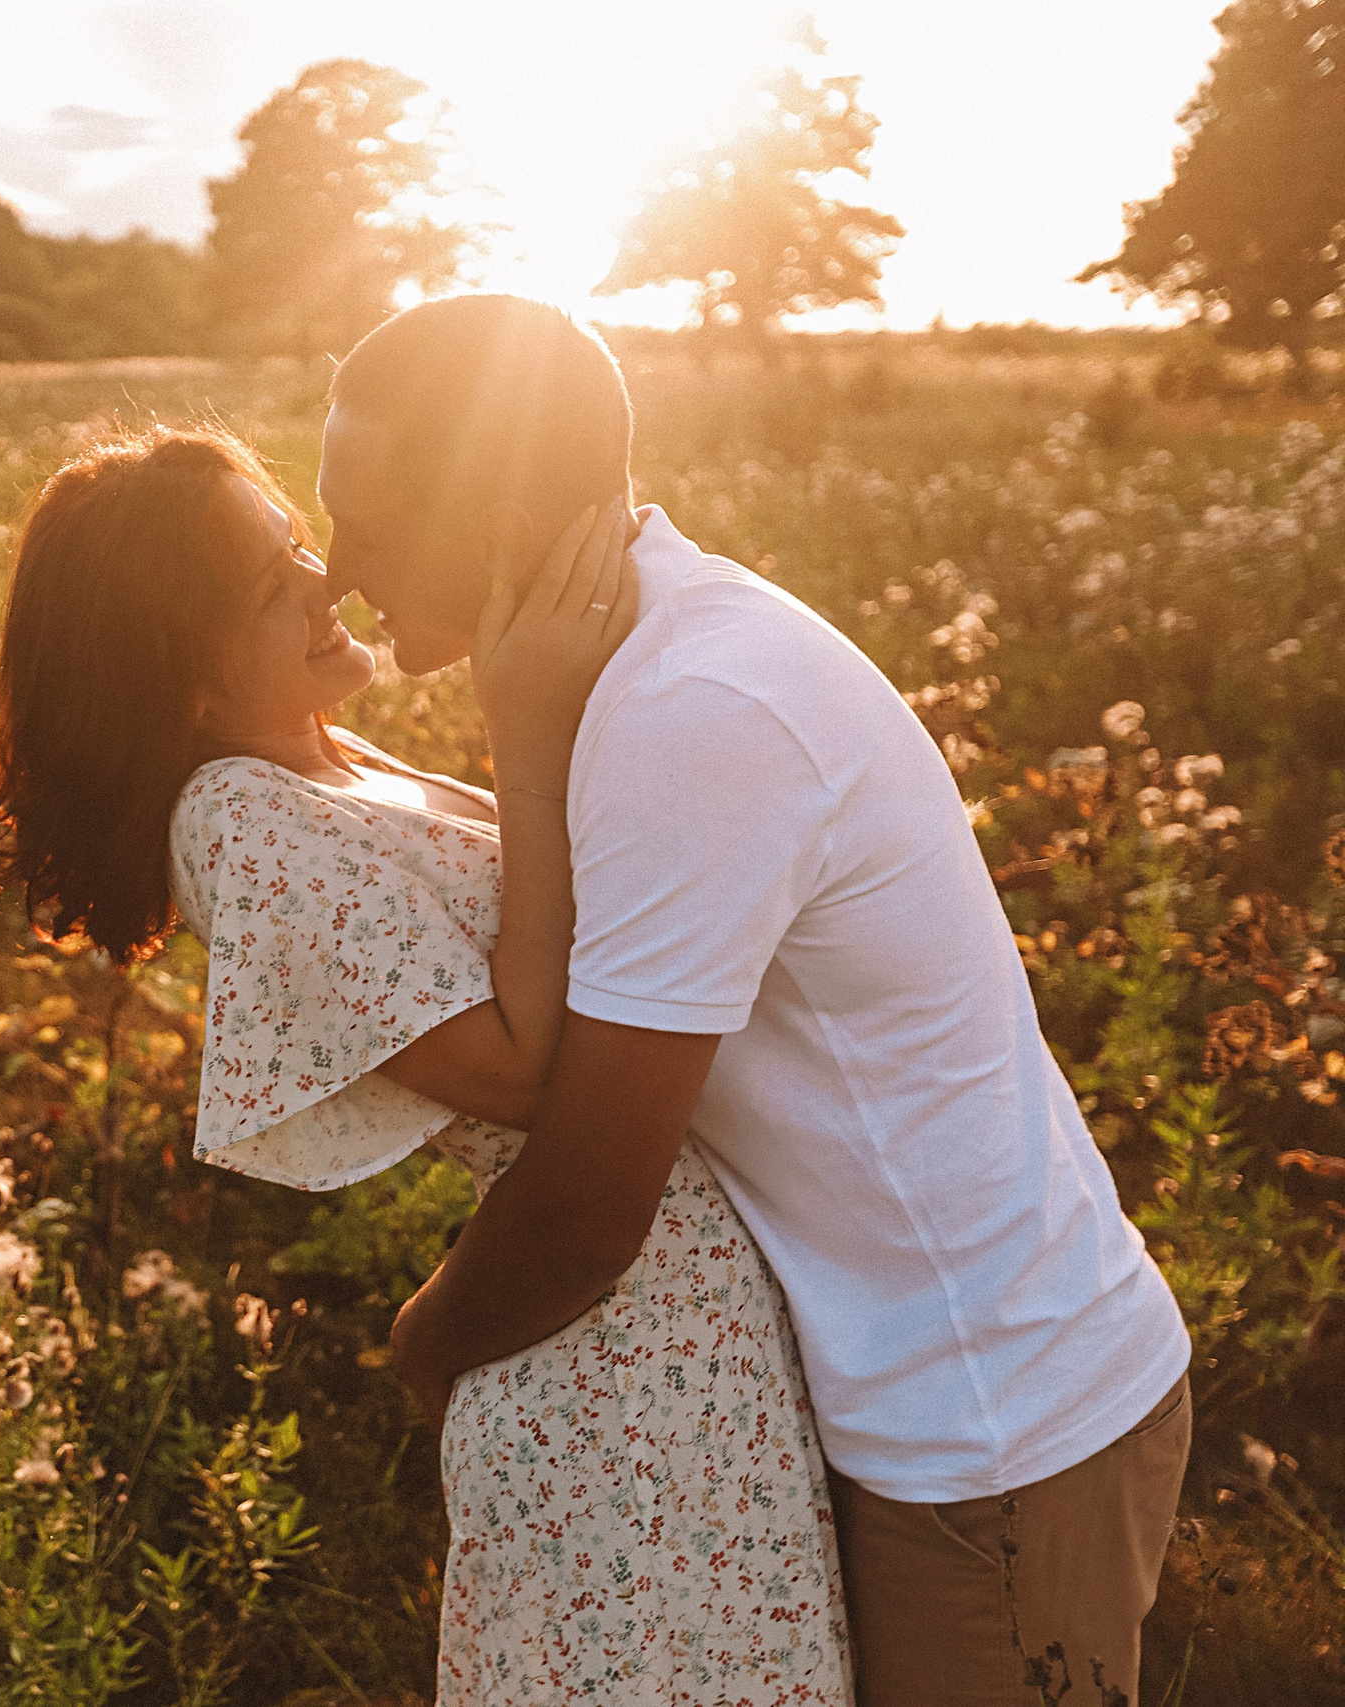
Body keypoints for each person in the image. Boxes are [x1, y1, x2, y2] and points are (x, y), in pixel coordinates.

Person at [317, 294, 1193, 1706]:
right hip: (924, 1397)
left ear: (491, 525)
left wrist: (423, 1342)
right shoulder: (659, 660)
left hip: (996, 1426)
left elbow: (591, 1201)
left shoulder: (690, 711)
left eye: (370, 523)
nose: (338, 568)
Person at [0, 421, 854, 1703]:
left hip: (672, 1320)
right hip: (613, 1368)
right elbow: (516, 1068)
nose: (327, 579)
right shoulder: (237, 822)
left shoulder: (323, 759)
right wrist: (527, 732)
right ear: (185, 686)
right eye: (275, 590)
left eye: (295, 546)